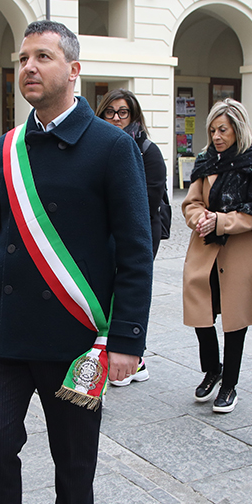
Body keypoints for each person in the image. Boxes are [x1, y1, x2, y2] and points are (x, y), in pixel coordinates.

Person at [0, 21, 153, 504]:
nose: (30, 67)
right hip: (6, 333)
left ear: (74, 70)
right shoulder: (5, 148)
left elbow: (135, 249)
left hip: (77, 340)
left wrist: (127, 338)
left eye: (43, 56)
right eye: (23, 58)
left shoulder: (112, 148)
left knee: (73, 454)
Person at [182, 99, 252, 414]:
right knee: (201, 315)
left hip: (243, 253)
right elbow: (190, 202)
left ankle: (229, 383)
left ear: (238, 129)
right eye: (213, 130)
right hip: (205, 250)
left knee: (235, 321)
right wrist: (199, 218)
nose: (216, 136)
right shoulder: (205, 162)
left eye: (223, 130)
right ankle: (212, 369)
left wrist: (221, 221)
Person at [98, 88, 169, 388]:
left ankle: (133, 357)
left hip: (139, 232)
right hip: (104, 232)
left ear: (134, 116)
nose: (116, 118)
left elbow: (144, 202)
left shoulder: (148, 151)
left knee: (127, 289)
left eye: (123, 112)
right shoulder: (96, 145)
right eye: (110, 112)